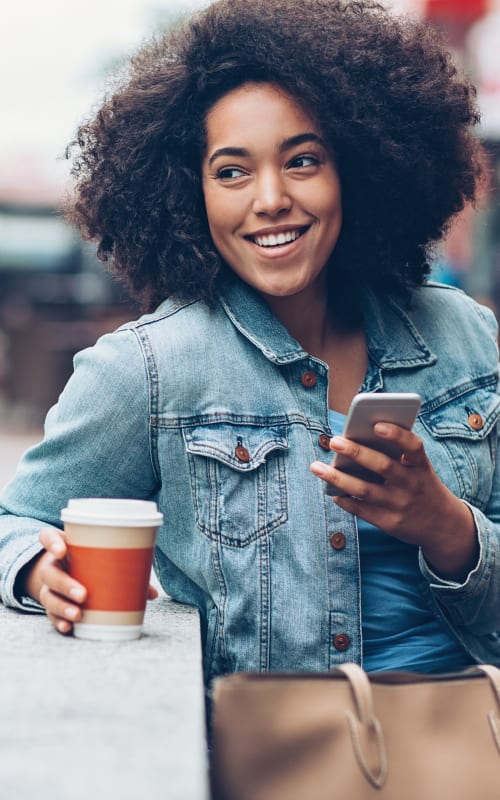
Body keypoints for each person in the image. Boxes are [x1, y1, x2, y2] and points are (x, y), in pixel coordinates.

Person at [1, 0, 499, 688]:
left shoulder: (466, 338)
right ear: (188, 193)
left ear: (357, 168)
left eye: (303, 160)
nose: (270, 199)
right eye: (231, 171)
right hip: (280, 762)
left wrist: (446, 526)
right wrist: (33, 565)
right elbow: (17, 518)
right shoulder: (148, 369)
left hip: (470, 747)